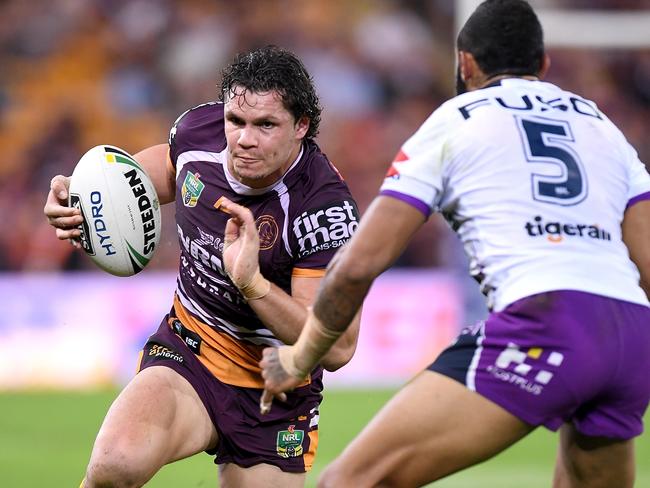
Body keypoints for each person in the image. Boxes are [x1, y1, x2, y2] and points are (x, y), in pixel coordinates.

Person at [259, 1, 650, 487]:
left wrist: (299, 358)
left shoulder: (457, 119)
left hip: (546, 321)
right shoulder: (602, 127)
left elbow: (357, 265)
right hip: (633, 336)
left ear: (465, 64)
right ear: (542, 66)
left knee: (349, 482)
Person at [43, 45, 362, 488]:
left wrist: (253, 284)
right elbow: (150, 176)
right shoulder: (198, 132)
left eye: (266, 125)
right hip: (190, 349)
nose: (244, 139)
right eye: (237, 121)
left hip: (275, 390)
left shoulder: (322, 209)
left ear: (301, 127)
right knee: (114, 466)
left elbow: (339, 347)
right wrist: (78, 196)